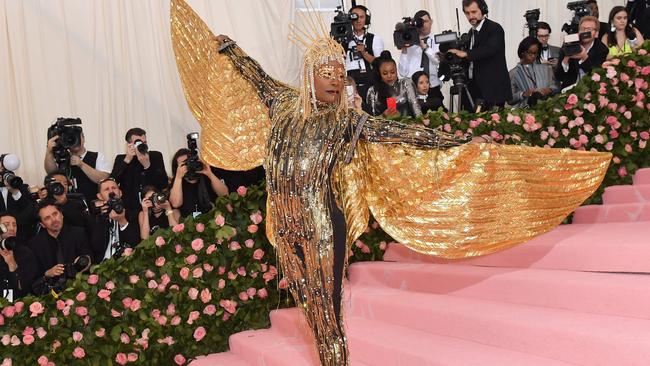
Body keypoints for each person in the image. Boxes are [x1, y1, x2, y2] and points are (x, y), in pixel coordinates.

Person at [173, 1, 610, 363]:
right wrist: (230, 50)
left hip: (325, 221)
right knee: (310, 306)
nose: (334, 78)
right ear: (309, 75)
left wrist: (450, 141)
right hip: (286, 226)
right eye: (324, 71)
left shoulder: (348, 121)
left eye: (338, 71)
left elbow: (401, 132)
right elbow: (257, 77)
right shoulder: (284, 105)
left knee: (327, 312)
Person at [447, 0, 512, 110]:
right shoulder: (470, 33)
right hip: (475, 89)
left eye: (473, 12)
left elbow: (489, 49)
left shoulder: (494, 28)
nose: (470, 16)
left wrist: (465, 53)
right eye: (467, 13)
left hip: (493, 90)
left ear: (483, 10)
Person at [28, 201, 92, 295]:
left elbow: (90, 257)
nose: (54, 220)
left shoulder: (78, 233)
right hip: (50, 294)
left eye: (55, 214)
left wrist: (85, 261)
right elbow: (33, 275)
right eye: (47, 218)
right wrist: (47, 273)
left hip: (80, 288)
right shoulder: (34, 244)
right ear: (42, 224)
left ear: (61, 215)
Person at [44, 130, 110, 204]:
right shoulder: (62, 157)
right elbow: (51, 173)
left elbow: (104, 179)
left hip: (93, 204)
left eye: (77, 137)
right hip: (68, 205)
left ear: (83, 138)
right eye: (70, 138)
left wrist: (82, 165)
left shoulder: (97, 156)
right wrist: (49, 152)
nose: (75, 141)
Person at [110, 128, 168, 211]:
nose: (142, 146)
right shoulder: (121, 159)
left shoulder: (155, 156)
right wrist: (127, 159)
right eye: (138, 143)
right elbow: (113, 181)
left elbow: (163, 184)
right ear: (129, 145)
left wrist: (148, 166)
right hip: (130, 207)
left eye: (144, 143)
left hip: (153, 206)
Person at [89, 178, 141, 264]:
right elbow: (96, 247)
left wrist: (122, 221)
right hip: (102, 267)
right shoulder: (95, 219)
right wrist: (102, 217)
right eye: (106, 189)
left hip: (127, 265)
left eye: (114, 188)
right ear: (99, 196)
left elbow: (136, 244)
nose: (111, 192)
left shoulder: (134, 215)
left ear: (120, 193)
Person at [398, 10, 444, 101]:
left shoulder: (438, 40)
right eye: (420, 23)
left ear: (431, 21)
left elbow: (437, 61)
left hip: (433, 86)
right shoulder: (409, 42)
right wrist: (404, 50)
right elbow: (403, 72)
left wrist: (424, 47)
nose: (423, 25)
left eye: (426, 21)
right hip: (413, 89)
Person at [169, 149, 228, 218]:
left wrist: (209, 174)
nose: (188, 166)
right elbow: (176, 203)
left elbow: (224, 194)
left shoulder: (206, 176)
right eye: (184, 164)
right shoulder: (177, 181)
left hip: (212, 220)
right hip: (189, 224)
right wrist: (178, 177)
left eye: (190, 162)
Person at [555, 16, 609, 90]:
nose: (585, 32)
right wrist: (565, 62)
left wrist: (584, 58)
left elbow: (595, 76)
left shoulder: (602, 49)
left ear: (596, 33)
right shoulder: (570, 44)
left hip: (591, 90)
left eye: (589, 29)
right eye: (582, 29)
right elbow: (559, 76)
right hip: (568, 90)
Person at [344, 5, 384, 102]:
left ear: (367, 19)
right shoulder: (343, 40)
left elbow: (381, 64)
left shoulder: (375, 39)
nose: (358, 20)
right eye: (355, 17)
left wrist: (364, 53)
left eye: (362, 17)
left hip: (370, 85)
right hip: (349, 87)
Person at [366, 51, 422, 117]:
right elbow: (371, 119)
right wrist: (383, 116)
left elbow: (416, 108)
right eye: (385, 73)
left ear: (396, 71)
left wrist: (420, 121)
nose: (389, 76)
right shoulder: (373, 91)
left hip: (408, 125)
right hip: (384, 126)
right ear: (379, 73)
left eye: (392, 72)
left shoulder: (405, 83)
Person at [509, 37, 559, 108]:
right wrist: (523, 94)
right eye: (530, 53)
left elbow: (557, 86)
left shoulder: (546, 68)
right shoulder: (513, 73)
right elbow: (509, 100)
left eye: (535, 53)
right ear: (522, 52)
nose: (533, 56)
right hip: (525, 113)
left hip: (547, 110)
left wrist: (548, 90)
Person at [0, 154, 37, 240]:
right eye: (1, 168)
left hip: (21, 235)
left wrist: (15, 192)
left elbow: (29, 212)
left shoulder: (22, 188)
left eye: (5, 169)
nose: (2, 171)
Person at [0, 213, 37, 299]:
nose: (12, 228)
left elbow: (25, 288)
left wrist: (12, 265)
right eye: (6, 225)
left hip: (19, 304)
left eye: (14, 225)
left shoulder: (26, 252)